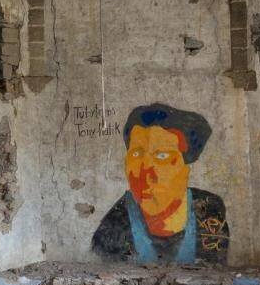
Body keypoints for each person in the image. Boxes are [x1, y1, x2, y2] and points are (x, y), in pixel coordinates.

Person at [91, 102, 229, 264]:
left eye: (162, 156)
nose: (146, 171)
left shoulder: (209, 210)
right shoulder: (112, 228)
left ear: (185, 169)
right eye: (136, 154)